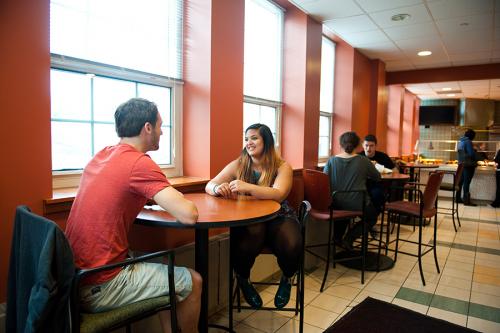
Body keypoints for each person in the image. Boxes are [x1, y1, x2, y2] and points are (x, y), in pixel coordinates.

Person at [65, 98, 202, 333]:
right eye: (160, 125)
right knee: (193, 281)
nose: (162, 132)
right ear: (147, 128)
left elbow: (121, 191)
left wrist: (154, 195)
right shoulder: (139, 163)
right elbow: (189, 215)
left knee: (164, 275)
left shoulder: (104, 154)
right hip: (100, 284)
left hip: (74, 278)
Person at [205, 123, 302, 310]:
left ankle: (288, 276)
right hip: (249, 217)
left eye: (254, 138)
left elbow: (279, 193)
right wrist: (218, 188)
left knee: (292, 243)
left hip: (278, 215)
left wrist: (248, 187)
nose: (249, 142)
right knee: (249, 236)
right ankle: (243, 278)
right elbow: (210, 184)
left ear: (267, 140)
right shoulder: (239, 164)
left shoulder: (282, 166)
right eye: (246, 139)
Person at [324, 131, 381, 250]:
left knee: (344, 214)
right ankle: (349, 238)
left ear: (340, 145)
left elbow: (324, 182)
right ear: (358, 145)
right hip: (358, 203)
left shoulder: (331, 161)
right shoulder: (364, 161)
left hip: (336, 203)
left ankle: (337, 239)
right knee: (371, 217)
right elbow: (377, 177)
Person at [359, 134, 398, 214]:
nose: (368, 148)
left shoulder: (383, 156)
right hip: (361, 185)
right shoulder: (358, 157)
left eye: (371, 146)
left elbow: (396, 171)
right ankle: (368, 218)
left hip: (378, 184)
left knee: (377, 194)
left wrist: (382, 169)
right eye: (366, 145)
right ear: (363, 145)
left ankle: (373, 217)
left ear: (376, 146)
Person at [457, 129, 478, 206]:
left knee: (461, 182)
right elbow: (471, 154)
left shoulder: (461, 141)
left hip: (461, 164)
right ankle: (466, 201)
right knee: (467, 182)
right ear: (472, 136)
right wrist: (475, 150)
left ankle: (458, 198)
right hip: (468, 165)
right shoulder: (468, 142)